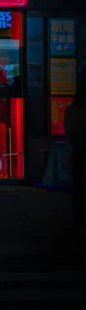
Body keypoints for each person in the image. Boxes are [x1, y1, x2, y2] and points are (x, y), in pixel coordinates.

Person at [64, 78, 86, 236]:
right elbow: (73, 133)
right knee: (80, 187)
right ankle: (79, 221)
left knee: (80, 187)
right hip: (81, 151)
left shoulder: (73, 111)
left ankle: (79, 221)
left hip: (80, 150)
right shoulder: (75, 111)